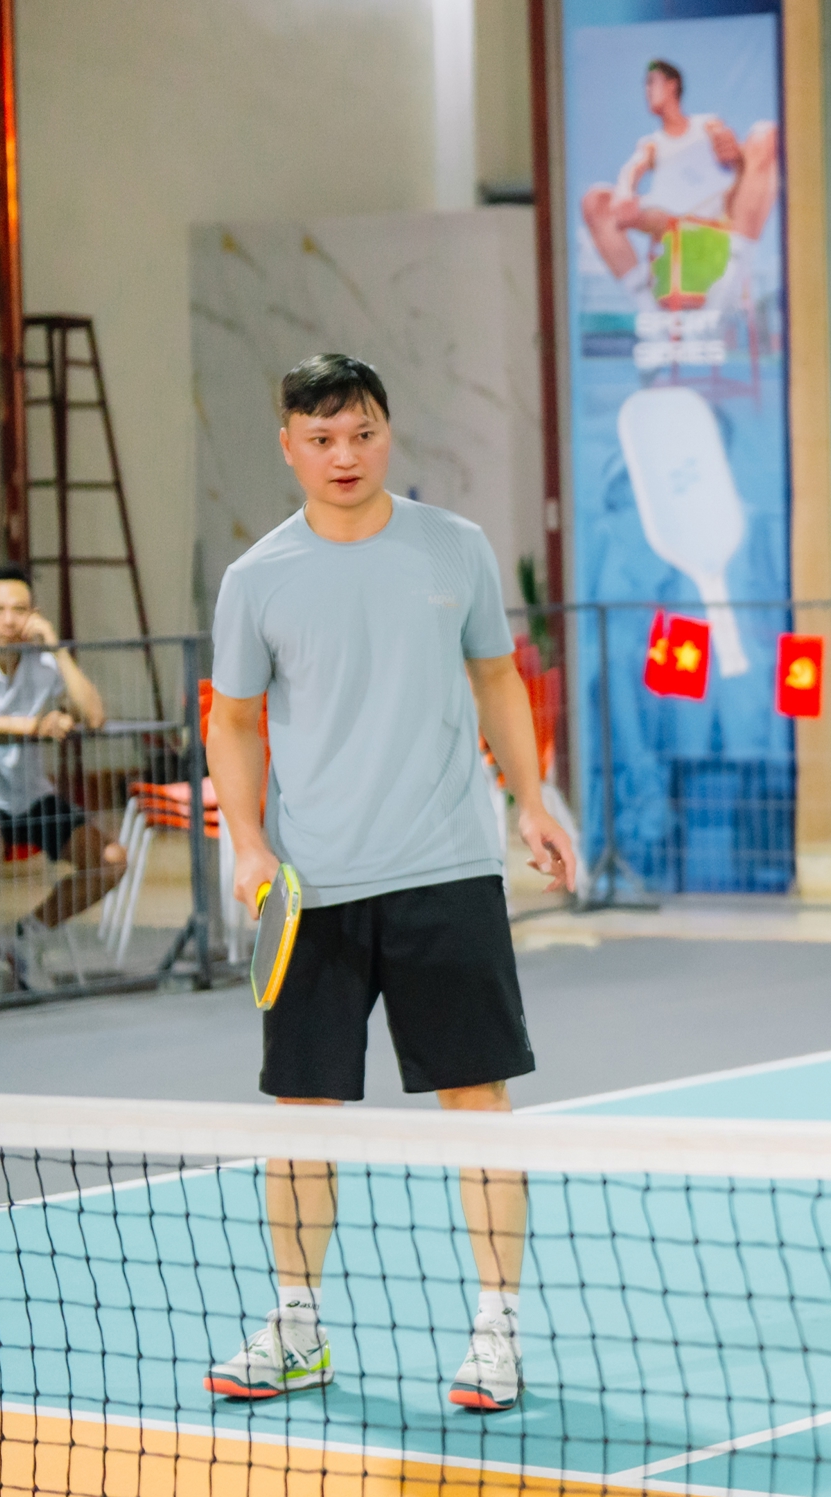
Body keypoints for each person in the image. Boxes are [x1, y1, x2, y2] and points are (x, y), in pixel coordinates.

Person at [201, 354, 577, 1413]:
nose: (344, 454)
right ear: (288, 446)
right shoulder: (257, 579)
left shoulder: (455, 548)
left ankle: (497, 1332)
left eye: (361, 432)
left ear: (387, 433)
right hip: (313, 890)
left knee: (478, 1102)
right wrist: (248, 844)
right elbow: (234, 722)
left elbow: (496, 678)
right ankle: (296, 1327)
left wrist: (531, 801)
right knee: (301, 1113)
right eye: (321, 438)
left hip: (447, 871)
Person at [0, 563, 129, 986]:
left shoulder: (42, 659)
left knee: (110, 862)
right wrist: (34, 725)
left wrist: (56, 648)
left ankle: (23, 938)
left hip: (31, 795)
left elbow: (93, 715)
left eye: (20, 609)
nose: (10, 620)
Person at [580, 59, 779, 303]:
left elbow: (730, 148)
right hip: (668, 216)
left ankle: (733, 279)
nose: (647, 90)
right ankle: (647, 307)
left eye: (651, 83)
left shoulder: (706, 125)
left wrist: (733, 153)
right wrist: (624, 193)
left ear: (671, 85)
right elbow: (633, 168)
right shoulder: (652, 144)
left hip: (719, 209)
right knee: (596, 200)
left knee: (766, 135)